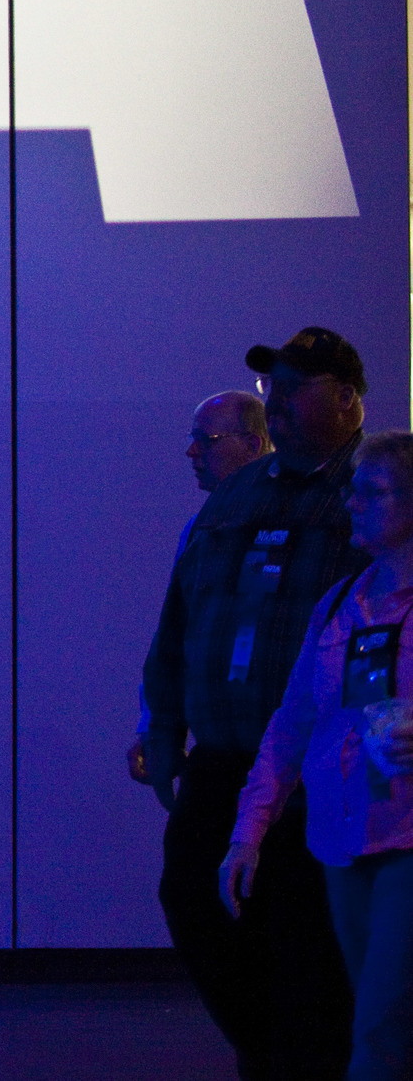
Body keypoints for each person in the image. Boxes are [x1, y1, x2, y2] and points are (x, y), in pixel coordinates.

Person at [144, 329, 368, 1081]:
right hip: (229, 755)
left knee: (303, 935)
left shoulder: (375, 491)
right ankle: (275, 1054)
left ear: (346, 399)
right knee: (192, 896)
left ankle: (302, 1062)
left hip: (325, 770)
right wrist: (165, 722)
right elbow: (183, 615)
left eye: (294, 386)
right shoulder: (240, 494)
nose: (277, 400)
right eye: (271, 387)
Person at [224, 430, 413, 1081]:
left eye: (371, 491)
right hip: (344, 840)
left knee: (381, 1030)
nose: (351, 503)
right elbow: (292, 724)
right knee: (384, 1016)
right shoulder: (340, 607)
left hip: (410, 842)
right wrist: (249, 831)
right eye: (351, 489)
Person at [131, 392, 274, 786]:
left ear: (253, 444)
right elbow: (175, 636)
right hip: (218, 749)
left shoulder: (291, 524)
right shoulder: (201, 529)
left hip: (278, 749)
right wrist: (155, 729)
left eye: (206, 440)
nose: (191, 452)